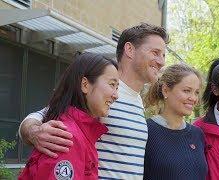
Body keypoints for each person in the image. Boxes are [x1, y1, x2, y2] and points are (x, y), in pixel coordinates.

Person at [19, 23, 169, 179]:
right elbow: (43, 115)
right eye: (155, 53)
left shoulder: (136, 99)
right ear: (130, 50)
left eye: (163, 55)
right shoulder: (101, 93)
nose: (162, 61)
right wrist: (35, 132)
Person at [19, 52, 119, 179]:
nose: (116, 95)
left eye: (117, 87)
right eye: (112, 84)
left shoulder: (79, 131)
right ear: (85, 85)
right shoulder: (67, 137)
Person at [143, 64, 208, 180]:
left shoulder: (197, 134)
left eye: (196, 92)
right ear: (166, 90)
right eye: (187, 91)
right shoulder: (146, 131)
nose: (193, 98)